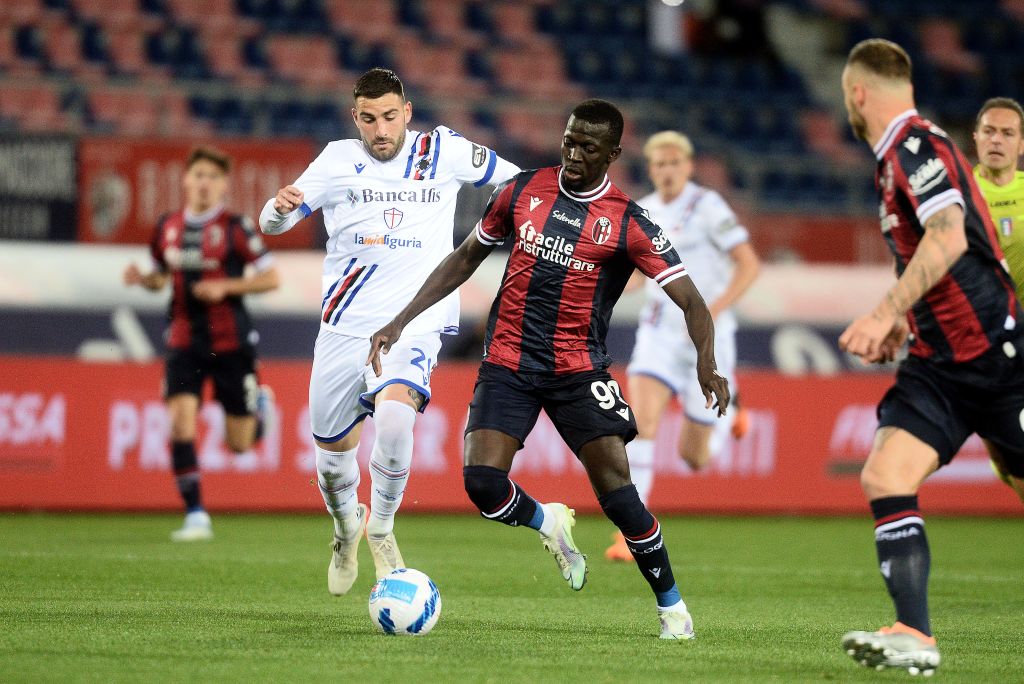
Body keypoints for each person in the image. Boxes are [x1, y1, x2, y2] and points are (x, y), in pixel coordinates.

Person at [368, 99, 730, 639]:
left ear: (613, 153)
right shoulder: (521, 191)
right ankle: (548, 522)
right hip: (508, 360)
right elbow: (465, 257)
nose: (575, 154)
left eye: (589, 147)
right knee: (483, 483)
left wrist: (708, 363)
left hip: (578, 370)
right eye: (569, 141)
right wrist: (399, 320)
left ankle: (672, 607)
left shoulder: (629, 222)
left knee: (618, 493)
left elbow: (693, 302)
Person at [258, 68, 519, 596]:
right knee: (333, 463)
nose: (381, 130)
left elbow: (517, 185)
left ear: (408, 112)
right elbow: (273, 223)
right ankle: (344, 525)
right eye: (370, 119)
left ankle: (381, 526)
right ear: (355, 117)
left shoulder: (442, 151)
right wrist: (276, 209)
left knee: (397, 423)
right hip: (344, 327)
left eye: (390, 117)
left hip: (413, 323)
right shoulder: (336, 160)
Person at [837, 39, 1024, 675]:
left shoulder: (916, 143)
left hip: (998, 359)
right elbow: (934, 255)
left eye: (848, 96)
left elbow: (946, 238)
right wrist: (906, 320)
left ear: (858, 92)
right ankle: (915, 634)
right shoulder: (893, 157)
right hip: (938, 363)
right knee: (886, 475)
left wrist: (884, 310)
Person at [606, 131, 760, 562]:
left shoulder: (708, 207)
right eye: (659, 164)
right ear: (651, 169)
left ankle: (733, 420)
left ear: (688, 166)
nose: (667, 170)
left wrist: (716, 309)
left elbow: (749, 264)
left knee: (694, 457)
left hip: (705, 341)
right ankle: (632, 533)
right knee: (642, 425)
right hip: (658, 333)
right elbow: (637, 275)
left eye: (674, 162)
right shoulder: (644, 211)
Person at [123, 146, 280, 542]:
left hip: (231, 343)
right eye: (198, 175)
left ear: (224, 184)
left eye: (213, 176)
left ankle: (259, 406)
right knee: (180, 422)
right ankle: (195, 514)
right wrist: (144, 279)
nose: (204, 183)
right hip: (183, 340)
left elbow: (271, 278)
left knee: (240, 445)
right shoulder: (168, 227)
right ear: (186, 179)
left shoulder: (235, 227)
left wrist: (226, 285)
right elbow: (161, 275)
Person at [972, 96, 1024, 501]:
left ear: (1021, 144)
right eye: (989, 131)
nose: (997, 139)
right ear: (975, 138)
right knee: (1008, 468)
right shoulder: (958, 198)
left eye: (1007, 133)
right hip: (982, 345)